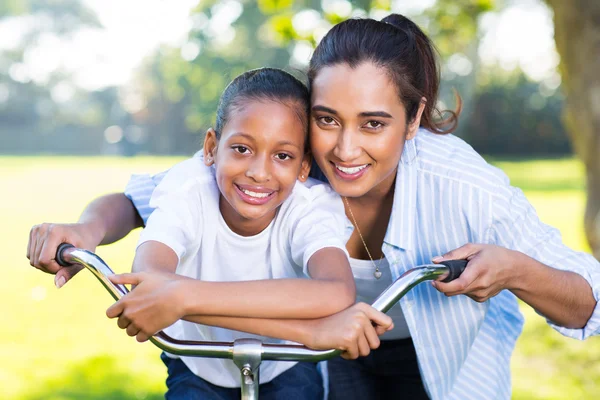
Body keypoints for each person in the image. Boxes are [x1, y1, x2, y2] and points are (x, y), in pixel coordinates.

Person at [27, 13, 600, 400]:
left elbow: (587, 304)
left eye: (374, 124)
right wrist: (84, 228)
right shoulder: (285, 166)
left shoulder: (464, 185)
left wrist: (515, 269)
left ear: (415, 118)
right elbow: (140, 198)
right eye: (328, 119)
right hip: (325, 358)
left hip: (446, 367)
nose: (344, 150)